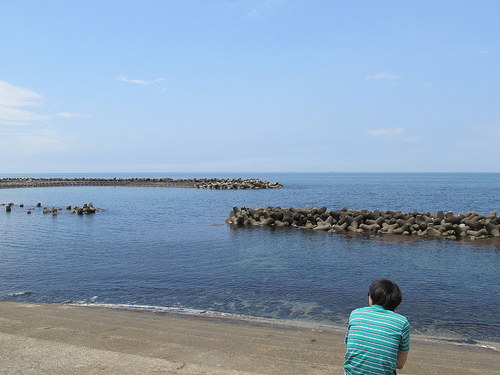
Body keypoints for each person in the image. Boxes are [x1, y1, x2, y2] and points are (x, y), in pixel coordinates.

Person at [344, 279, 410, 374]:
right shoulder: (402, 322)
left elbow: (351, 345)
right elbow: (400, 364)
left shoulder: (356, 314)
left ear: (371, 297)